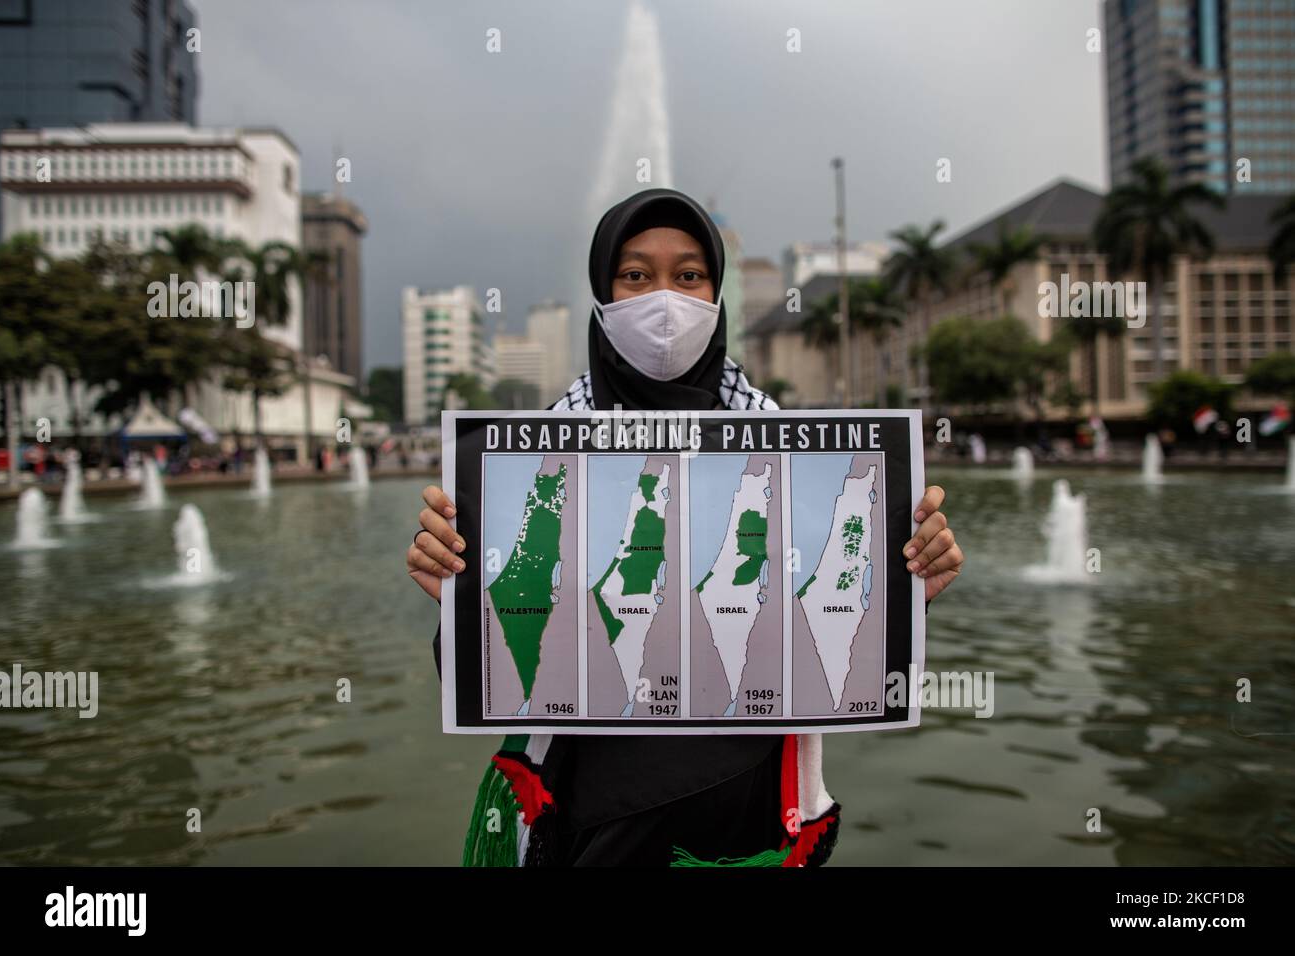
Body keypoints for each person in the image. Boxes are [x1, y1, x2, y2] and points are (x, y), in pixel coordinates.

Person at [406, 188, 964, 866]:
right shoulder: (533, 465)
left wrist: (907, 583)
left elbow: (836, 635)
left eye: (689, 275)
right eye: (636, 275)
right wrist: (463, 598)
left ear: (717, 294)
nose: (664, 300)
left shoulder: (793, 456)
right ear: (604, 297)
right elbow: (485, 674)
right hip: (593, 818)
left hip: (744, 816)